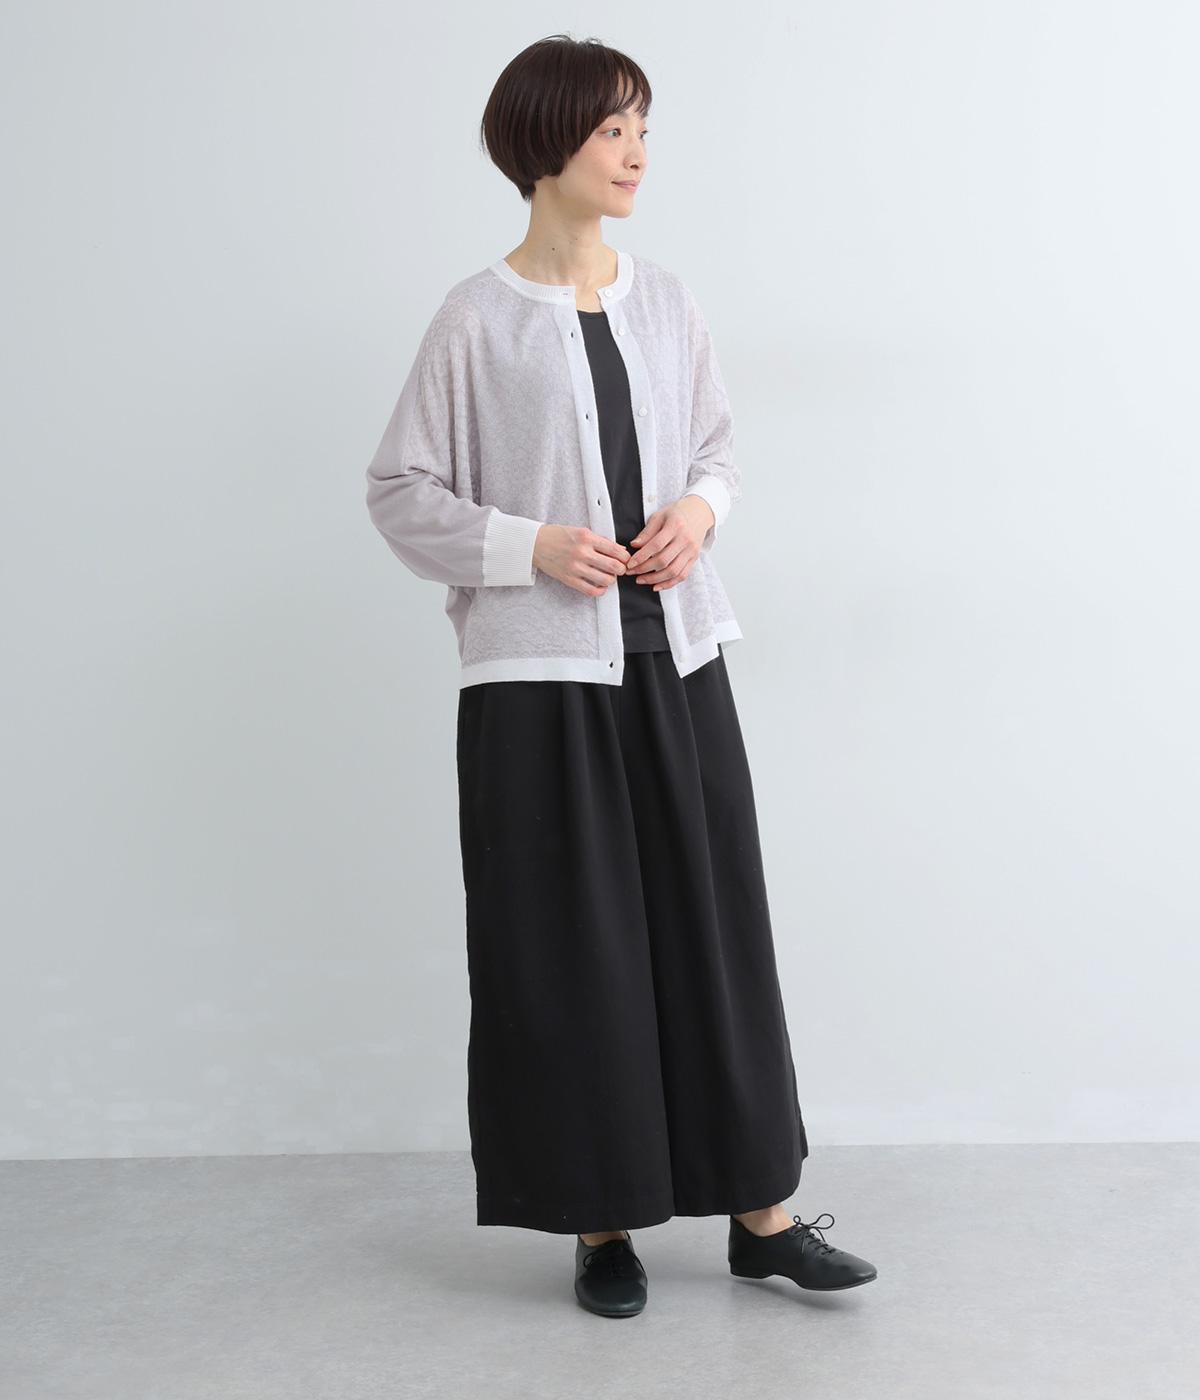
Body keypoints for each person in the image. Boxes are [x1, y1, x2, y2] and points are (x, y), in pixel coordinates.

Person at [364, 32, 877, 1317]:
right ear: (548, 144)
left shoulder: (668, 301)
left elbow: (718, 451)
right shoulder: (475, 320)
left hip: (680, 662)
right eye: (612, 129)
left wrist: (699, 513)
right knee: (570, 950)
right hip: (538, 683)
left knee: (716, 932)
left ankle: (762, 1217)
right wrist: (525, 544)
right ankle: (602, 1226)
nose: (638, 151)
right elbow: (399, 490)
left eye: (644, 126)